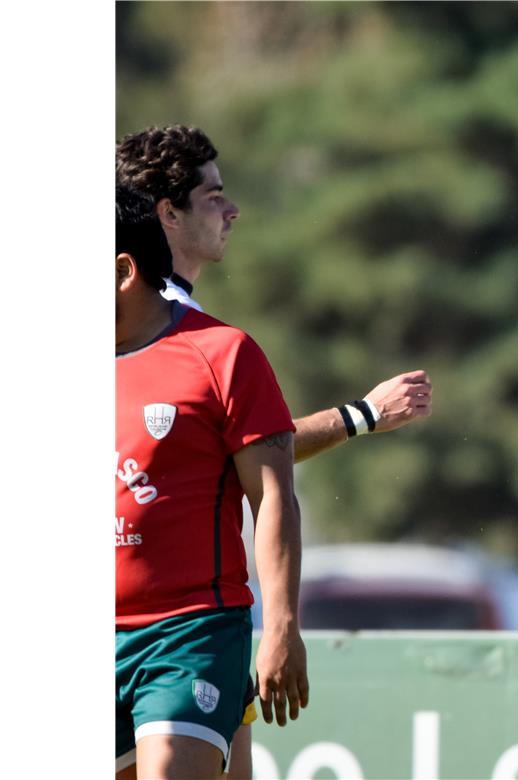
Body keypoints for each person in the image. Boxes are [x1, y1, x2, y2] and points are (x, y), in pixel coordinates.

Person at [116, 124, 432, 778]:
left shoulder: (210, 343)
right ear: (165, 214)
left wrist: (282, 620)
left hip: (191, 626)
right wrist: (361, 416)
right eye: (213, 197)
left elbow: (262, 457)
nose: (232, 211)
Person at [116, 185, 308, 779]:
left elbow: (272, 496)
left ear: (123, 271)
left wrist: (280, 626)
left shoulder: (222, 354)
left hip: (189, 633)